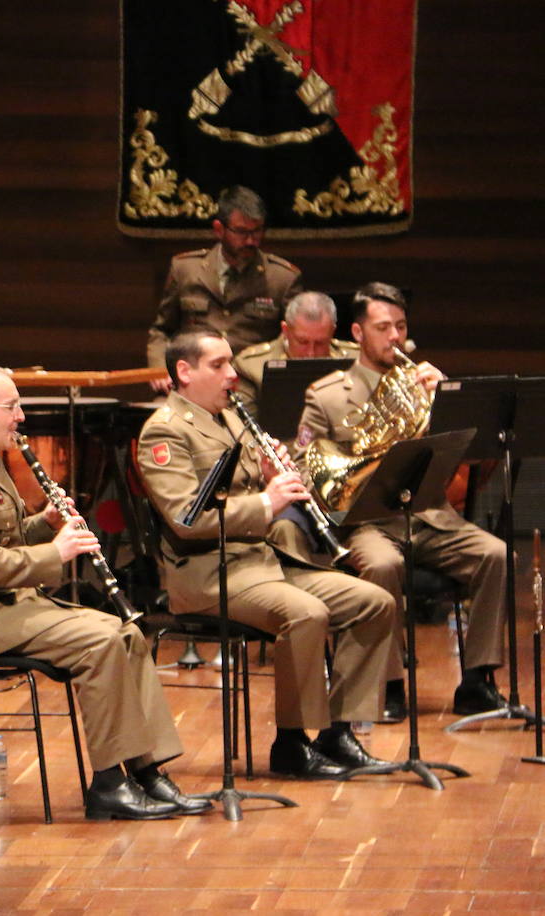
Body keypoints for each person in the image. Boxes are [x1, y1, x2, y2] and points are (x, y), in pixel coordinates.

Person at [0, 364, 207, 820]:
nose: (20, 417)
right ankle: (109, 784)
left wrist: (44, 523)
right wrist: (58, 552)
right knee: (100, 640)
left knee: (125, 632)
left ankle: (148, 773)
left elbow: (3, 540)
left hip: (3, 607)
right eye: (11, 407)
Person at [138, 331, 397, 779]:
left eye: (231, 364)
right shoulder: (165, 430)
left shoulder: (234, 419)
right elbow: (186, 518)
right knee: (307, 613)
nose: (232, 375)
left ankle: (339, 732)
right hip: (207, 573)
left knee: (373, 603)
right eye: (218, 365)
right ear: (184, 372)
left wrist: (275, 475)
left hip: (263, 562)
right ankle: (292, 743)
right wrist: (266, 502)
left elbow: (258, 489)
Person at [297, 282, 508, 721]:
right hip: (367, 523)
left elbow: (463, 452)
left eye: (400, 326)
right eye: (382, 327)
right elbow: (305, 467)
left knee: (496, 554)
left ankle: (477, 680)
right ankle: (389, 683)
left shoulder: (424, 385)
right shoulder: (327, 394)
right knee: (382, 566)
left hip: (429, 518)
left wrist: (447, 398)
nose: (394, 336)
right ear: (357, 333)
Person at [147, 186, 303, 394]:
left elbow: (294, 340)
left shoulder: (281, 278)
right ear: (219, 229)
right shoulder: (185, 269)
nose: (251, 240)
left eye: (257, 231)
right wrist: (159, 368)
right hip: (193, 383)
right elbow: (162, 330)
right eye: (241, 231)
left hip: (252, 387)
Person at [231, 291, 361, 417]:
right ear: (286, 330)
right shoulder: (250, 366)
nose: (311, 353)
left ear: (332, 332)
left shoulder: (357, 359)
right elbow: (244, 424)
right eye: (302, 342)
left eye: (320, 343)